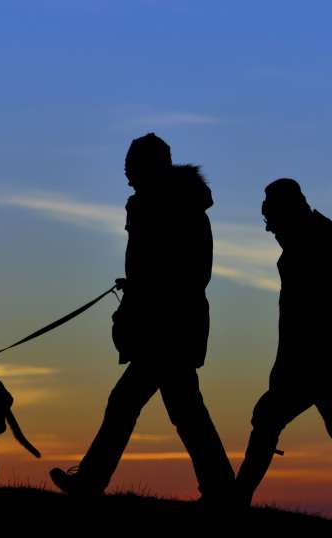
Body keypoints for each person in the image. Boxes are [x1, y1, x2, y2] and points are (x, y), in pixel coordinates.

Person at [49, 133, 235, 504]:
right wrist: (136, 285)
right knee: (181, 410)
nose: (128, 177)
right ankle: (222, 490)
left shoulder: (167, 207)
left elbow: (181, 271)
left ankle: (89, 482)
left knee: (130, 404)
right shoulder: (170, 205)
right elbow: (168, 267)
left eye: (131, 169)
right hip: (172, 324)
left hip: (167, 327)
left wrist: (144, 290)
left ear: (148, 168)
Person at [232, 178, 332, 527]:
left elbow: (303, 320)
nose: (271, 231)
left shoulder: (307, 250)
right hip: (325, 362)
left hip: (319, 363)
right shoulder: (315, 243)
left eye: (272, 222)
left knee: (275, 420)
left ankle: (236, 503)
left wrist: (284, 370)